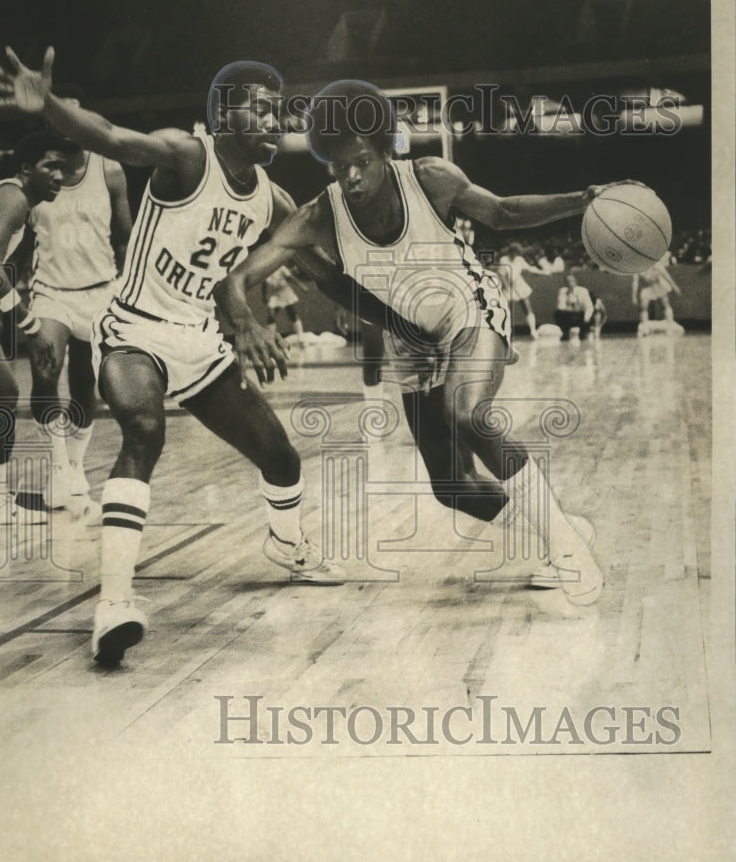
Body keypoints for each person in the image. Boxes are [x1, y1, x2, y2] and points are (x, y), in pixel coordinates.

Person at [215, 81, 639, 606]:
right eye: (338, 165)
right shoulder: (320, 215)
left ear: (386, 149)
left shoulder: (430, 177)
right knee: (452, 486)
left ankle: (568, 550)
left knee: (468, 415)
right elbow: (238, 277)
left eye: (361, 162)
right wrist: (244, 320)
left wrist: (582, 199)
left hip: (467, 306)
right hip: (410, 335)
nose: (351, 177)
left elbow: (502, 213)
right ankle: (560, 530)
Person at [0, 47, 344, 668]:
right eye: (263, 109)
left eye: (281, 111)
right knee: (143, 431)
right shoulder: (186, 154)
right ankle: (115, 605)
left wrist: (384, 301)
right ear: (227, 114)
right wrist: (45, 103)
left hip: (199, 340)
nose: (276, 120)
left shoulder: (275, 201)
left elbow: (322, 273)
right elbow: (109, 135)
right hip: (133, 329)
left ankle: (288, 546)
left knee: (281, 457)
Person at [0, 131, 71, 526]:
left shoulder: (16, 200)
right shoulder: (14, 197)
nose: (59, 173)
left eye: (62, 166)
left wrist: (4, 317)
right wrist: (30, 325)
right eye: (49, 165)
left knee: (4, 393)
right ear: (26, 169)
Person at [27, 131, 132, 515]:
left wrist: (132, 289)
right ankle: (57, 469)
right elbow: (21, 231)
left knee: (86, 385)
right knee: (44, 372)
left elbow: (126, 235)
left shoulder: (109, 169)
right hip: (51, 291)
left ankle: (75, 464)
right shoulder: (39, 170)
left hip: (101, 290)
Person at [496, 242, 542, 340]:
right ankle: (505, 333)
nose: (516, 255)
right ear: (511, 252)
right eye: (515, 252)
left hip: (519, 284)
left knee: (527, 306)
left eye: (518, 253)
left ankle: (533, 331)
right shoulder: (503, 259)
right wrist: (508, 289)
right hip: (507, 285)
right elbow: (502, 275)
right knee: (507, 309)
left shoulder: (519, 259)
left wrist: (540, 271)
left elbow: (529, 268)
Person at [632, 251, 684, 335]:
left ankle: (670, 326)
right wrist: (634, 296)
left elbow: (666, 276)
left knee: (665, 304)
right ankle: (645, 328)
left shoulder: (654, 263)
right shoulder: (637, 267)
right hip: (649, 288)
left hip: (659, 285)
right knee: (643, 306)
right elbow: (635, 282)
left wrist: (675, 287)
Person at [262, 264, 306, 345]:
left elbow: (291, 278)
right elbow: (264, 285)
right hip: (275, 294)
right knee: (271, 316)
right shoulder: (265, 271)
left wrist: (301, 285)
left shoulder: (281, 268)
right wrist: (264, 296)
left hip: (285, 292)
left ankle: (301, 337)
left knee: (292, 314)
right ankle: (270, 339)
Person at [554, 272, 595, 341]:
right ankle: (565, 333)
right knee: (558, 314)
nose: (570, 283)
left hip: (581, 314)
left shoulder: (583, 291)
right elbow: (560, 307)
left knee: (590, 317)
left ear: (575, 281)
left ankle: (584, 334)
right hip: (569, 314)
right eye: (567, 281)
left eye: (571, 281)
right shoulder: (562, 291)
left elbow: (589, 307)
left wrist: (586, 318)